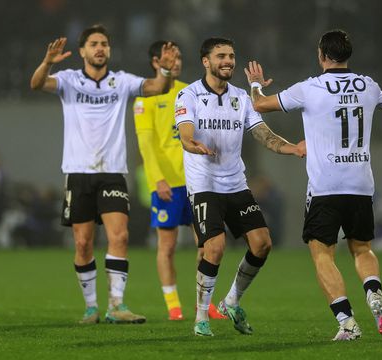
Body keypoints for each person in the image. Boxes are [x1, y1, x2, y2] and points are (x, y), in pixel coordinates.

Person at [245, 29, 382, 341]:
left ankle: (348, 324)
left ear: (321, 56)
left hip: (326, 185)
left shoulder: (310, 88)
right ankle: (374, 292)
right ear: (348, 55)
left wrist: (256, 84)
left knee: (322, 254)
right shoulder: (368, 85)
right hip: (360, 183)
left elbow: (259, 105)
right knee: (362, 247)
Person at [29, 24, 179, 324]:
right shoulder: (69, 80)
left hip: (112, 172)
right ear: (83, 50)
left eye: (104, 44)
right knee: (83, 243)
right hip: (78, 171)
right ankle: (91, 307)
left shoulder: (120, 82)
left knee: (120, 236)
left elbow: (156, 88)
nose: (100, 48)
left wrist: (164, 70)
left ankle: (116, 305)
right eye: (94, 43)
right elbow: (36, 85)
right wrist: (47, 62)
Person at [175, 37, 305, 337]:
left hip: (235, 183)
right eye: (221, 56)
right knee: (215, 248)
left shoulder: (242, 98)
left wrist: (291, 149)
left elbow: (261, 132)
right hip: (203, 183)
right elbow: (185, 131)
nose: (228, 61)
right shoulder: (188, 94)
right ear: (206, 61)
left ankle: (231, 301)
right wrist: (191, 143)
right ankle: (201, 318)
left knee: (262, 244)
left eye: (231, 56)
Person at [133, 40, 226, 321]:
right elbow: (146, 144)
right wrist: (157, 179)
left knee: (207, 244)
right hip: (167, 183)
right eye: (168, 57)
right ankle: (174, 306)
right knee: (168, 246)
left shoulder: (191, 92)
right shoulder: (144, 98)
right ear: (155, 61)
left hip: (197, 180)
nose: (175, 61)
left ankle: (205, 303)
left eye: (178, 56)